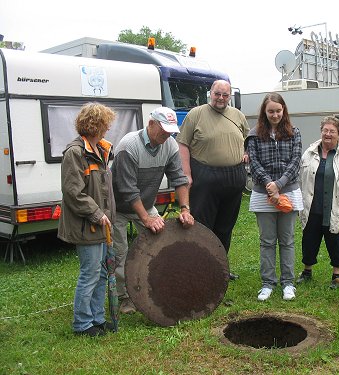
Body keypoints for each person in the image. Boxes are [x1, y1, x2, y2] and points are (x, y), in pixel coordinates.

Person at [112, 106, 194, 314]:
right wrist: (146, 219)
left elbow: (180, 179)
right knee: (120, 254)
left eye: (170, 131)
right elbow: (128, 190)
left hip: (145, 204)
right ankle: (124, 298)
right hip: (117, 208)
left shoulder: (170, 146)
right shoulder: (128, 146)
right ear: (151, 124)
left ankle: (157, 288)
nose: (167, 135)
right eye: (163, 130)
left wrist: (185, 208)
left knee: (161, 244)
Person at [177, 80, 249, 280]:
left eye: (225, 95)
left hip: (234, 178)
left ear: (230, 96)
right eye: (218, 94)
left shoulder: (238, 116)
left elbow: (246, 139)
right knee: (202, 226)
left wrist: (244, 153)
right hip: (205, 176)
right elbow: (182, 144)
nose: (221, 98)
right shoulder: (196, 114)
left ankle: (219, 268)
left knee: (225, 227)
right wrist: (187, 174)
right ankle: (199, 269)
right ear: (211, 93)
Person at [58, 102, 116, 337]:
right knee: (90, 272)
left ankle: (97, 319)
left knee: (101, 273)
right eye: (105, 124)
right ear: (95, 125)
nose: (108, 129)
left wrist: (107, 214)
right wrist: (97, 213)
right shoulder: (76, 152)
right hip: (87, 225)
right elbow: (73, 192)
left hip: (102, 224)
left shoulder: (101, 150)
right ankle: (82, 325)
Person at [245, 92, 303, 301]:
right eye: (271, 111)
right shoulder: (253, 135)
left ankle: (288, 283)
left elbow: (296, 161)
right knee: (267, 241)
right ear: (264, 112)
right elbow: (254, 163)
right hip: (263, 194)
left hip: (288, 192)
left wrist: (278, 184)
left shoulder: (294, 133)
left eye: (278, 111)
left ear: (284, 110)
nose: (275, 115)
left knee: (287, 241)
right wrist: (269, 185)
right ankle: (267, 283)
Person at [297, 115, 339, 289]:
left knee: (336, 241)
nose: (328, 134)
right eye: (325, 130)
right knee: (309, 240)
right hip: (312, 207)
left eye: (332, 131)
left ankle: (336, 275)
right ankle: (307, 271)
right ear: (321, 132)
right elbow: (299, 178)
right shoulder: (310, 153)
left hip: (334, 207)